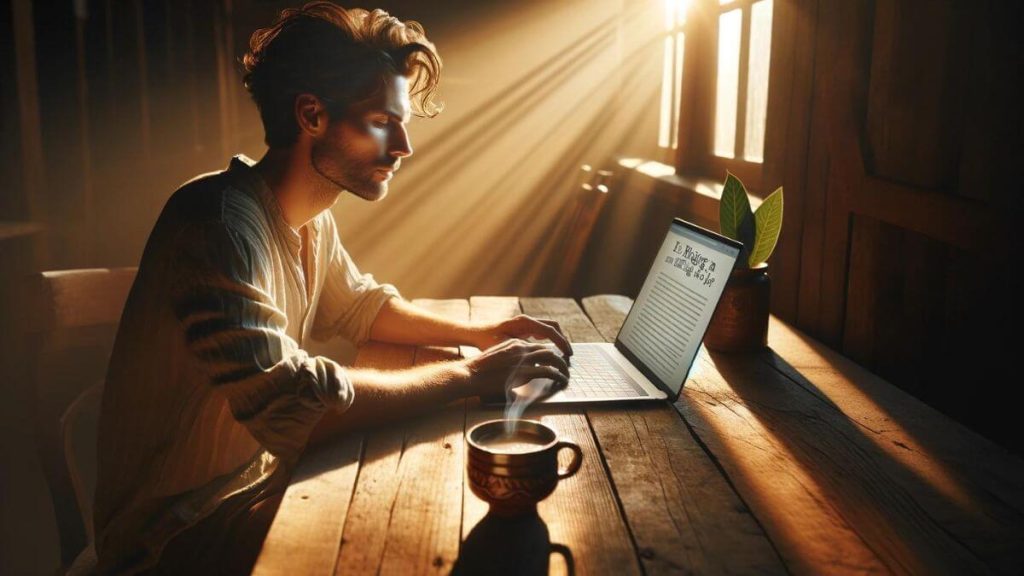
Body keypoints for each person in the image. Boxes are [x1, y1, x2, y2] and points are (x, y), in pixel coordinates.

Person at [87, 3, 572, 574]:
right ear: (311, 115)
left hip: (254, 484)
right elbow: (295, 402)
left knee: (421, 494)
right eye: (381, 122)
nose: (403, 149)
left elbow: (363, 306)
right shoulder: (216, 224)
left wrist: (484, 333)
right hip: (173, 538)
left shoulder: (305, 215)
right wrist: (468, 375)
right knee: (409, 535)